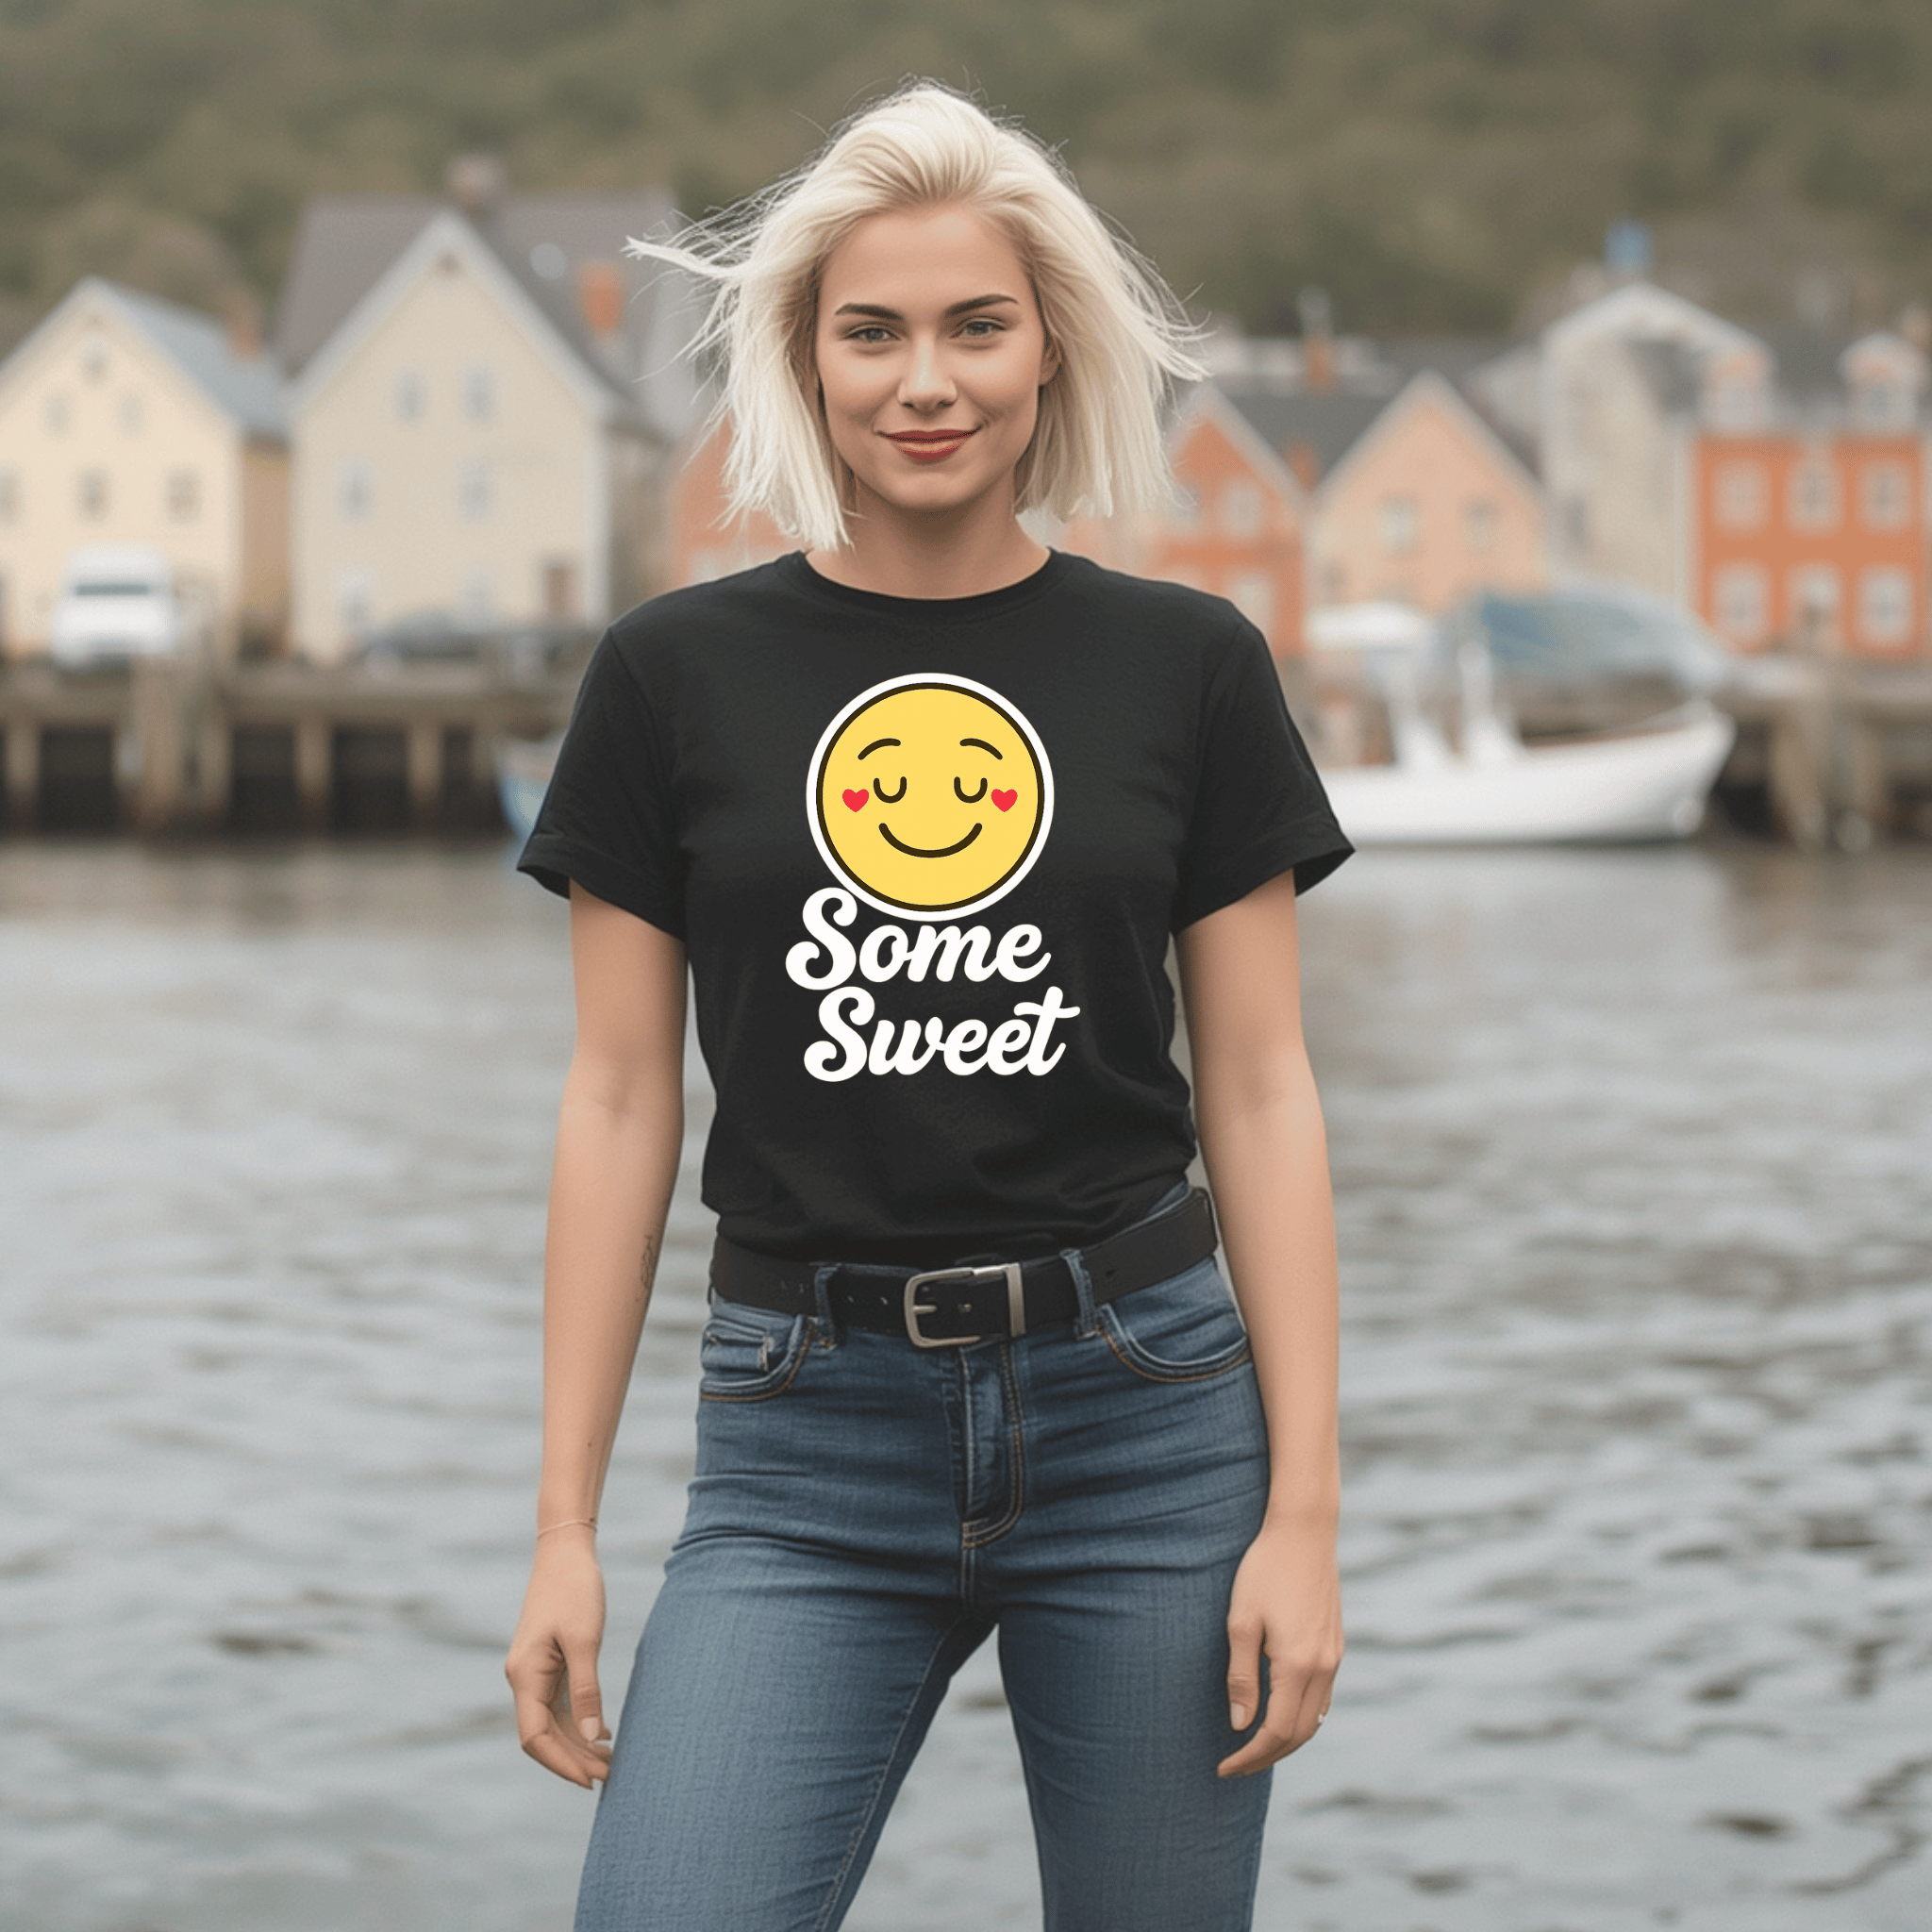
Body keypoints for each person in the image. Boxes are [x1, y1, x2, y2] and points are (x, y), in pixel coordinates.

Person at [505, 82, 1352, 1932]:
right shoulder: (671, 676)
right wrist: (563, 1533)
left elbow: (1266, 1093)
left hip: (1145, 1414)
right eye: (870, 332)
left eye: (976, 325)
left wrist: (1304, 1511)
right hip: (803, 1437)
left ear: (1050, 350)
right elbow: (618, 1103)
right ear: (805, 365)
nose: (926, 380)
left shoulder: (1185, 666)